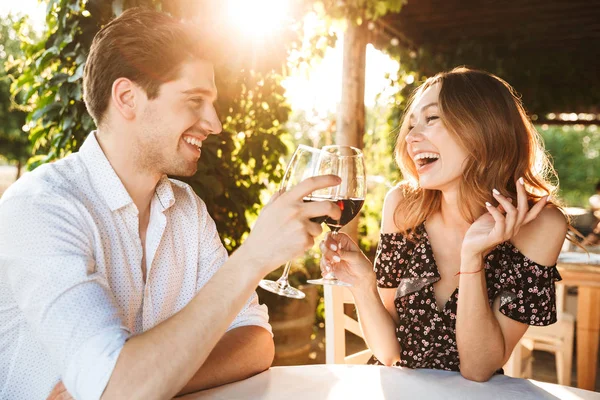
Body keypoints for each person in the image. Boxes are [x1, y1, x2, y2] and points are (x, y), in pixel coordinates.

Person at [0, 8, 342, 400]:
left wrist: (160, 380)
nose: (214, 123)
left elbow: (256, 341)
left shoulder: (186, 209)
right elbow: (120, 389)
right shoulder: (39, 209)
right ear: (128, 98)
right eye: (195, 100)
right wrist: (254, 257)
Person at [319, 67, 568, 382]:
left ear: (485, 127)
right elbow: (390, 353)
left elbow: (478, 369)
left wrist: (472, 256)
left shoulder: (540, 225)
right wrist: (363, 284)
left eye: (432, 119)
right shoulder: (403, 205)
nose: (410, 137)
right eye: (411, 124)